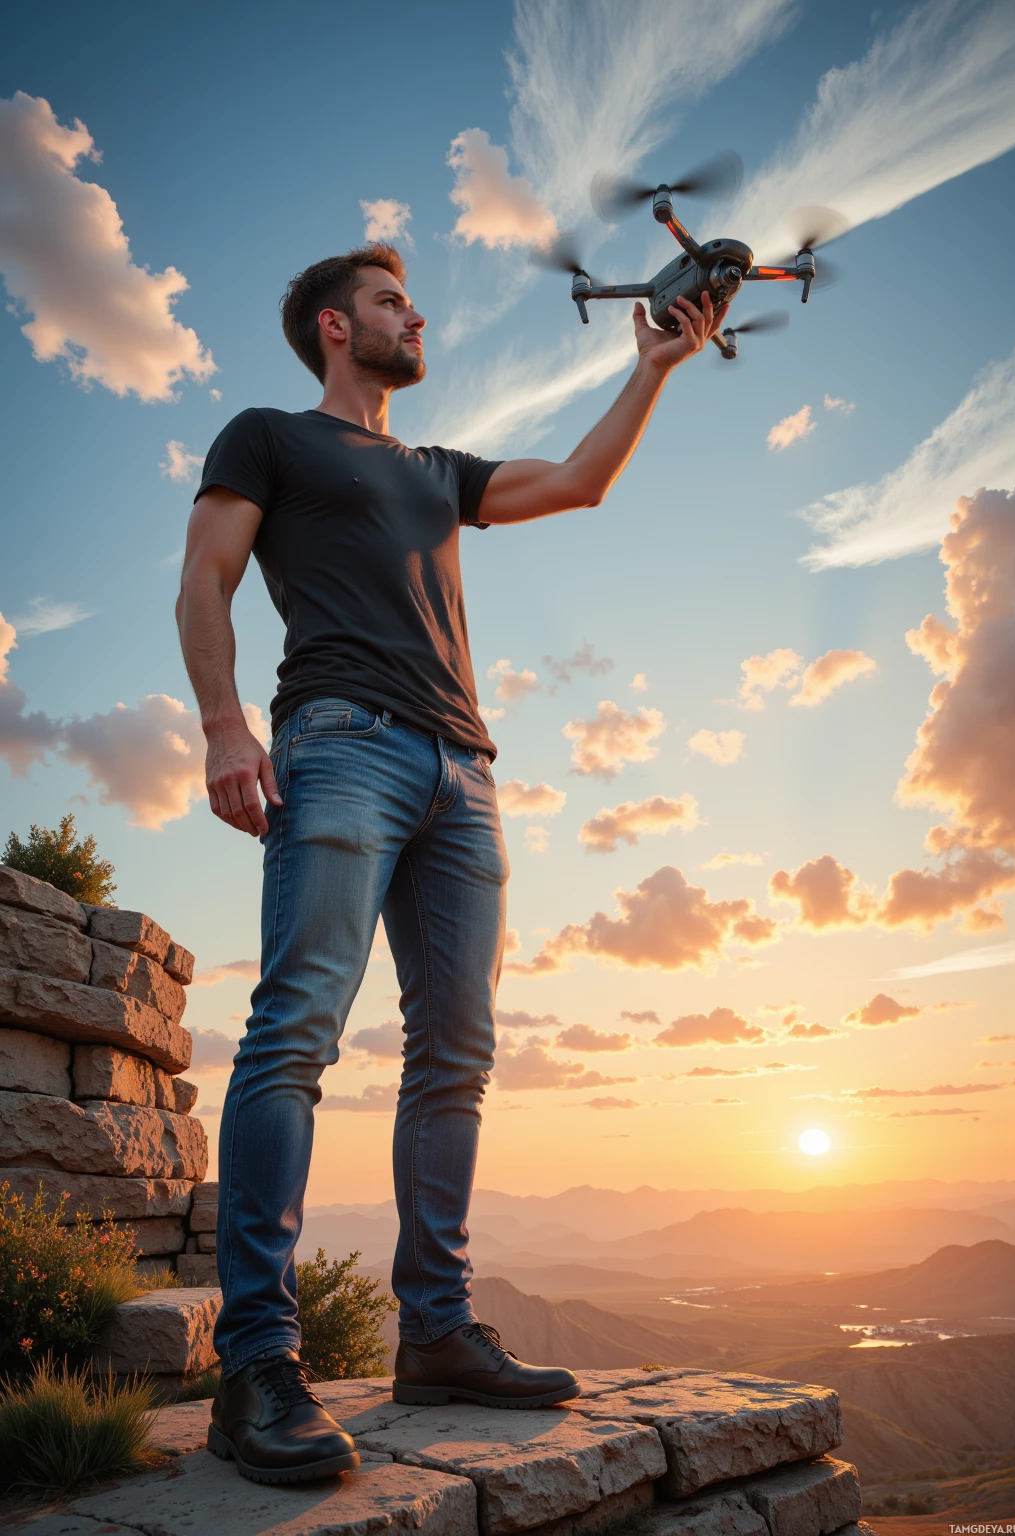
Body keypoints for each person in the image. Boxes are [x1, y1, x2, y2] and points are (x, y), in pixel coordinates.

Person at [176, 242, 727, 1485]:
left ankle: (435, 1331)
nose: (412, 314)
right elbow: (204, 578)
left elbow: (580, 482)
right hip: (337, 745)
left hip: (462, 774)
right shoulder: (268, 435)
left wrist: (654, 366)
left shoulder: (439, 472)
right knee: (296, 1030)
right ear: (333, 326)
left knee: (458, 1054)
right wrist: (222, 723)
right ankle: (257, 1364)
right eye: (388, 301)